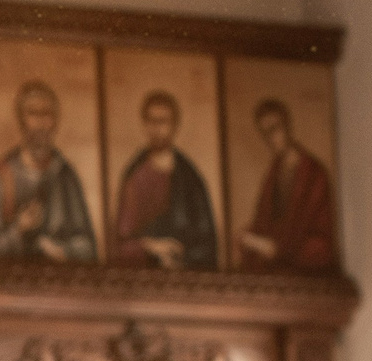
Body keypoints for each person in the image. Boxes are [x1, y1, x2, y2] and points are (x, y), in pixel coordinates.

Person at [0, 80, 99, 261]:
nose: (40, 122)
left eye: (47, 114)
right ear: (21, 119)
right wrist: (19, 228)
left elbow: (88, 246)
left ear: (55, 120)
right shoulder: (2, 176)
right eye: (33, 113)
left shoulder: (65, 175)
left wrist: (62, 251)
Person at [112, 91, 217, 269]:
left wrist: (180, 255)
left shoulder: (190, 179)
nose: (157, 128)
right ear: (145, 125)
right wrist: (151, 247)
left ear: (174, 125)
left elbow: (207, 243)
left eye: (163, 121)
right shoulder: (134, 176)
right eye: (152, 121)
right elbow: (122, 242)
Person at [236, 98, 335, 270]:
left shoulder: (313, 173)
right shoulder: (273, 174)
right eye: (265, 133)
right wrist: (250, 237)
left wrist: (277, 248)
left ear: (287, 125)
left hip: (304, 263)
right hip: (279, 260)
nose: (271, 138)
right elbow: (264, 222)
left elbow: (315, 236)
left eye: (274, 129)